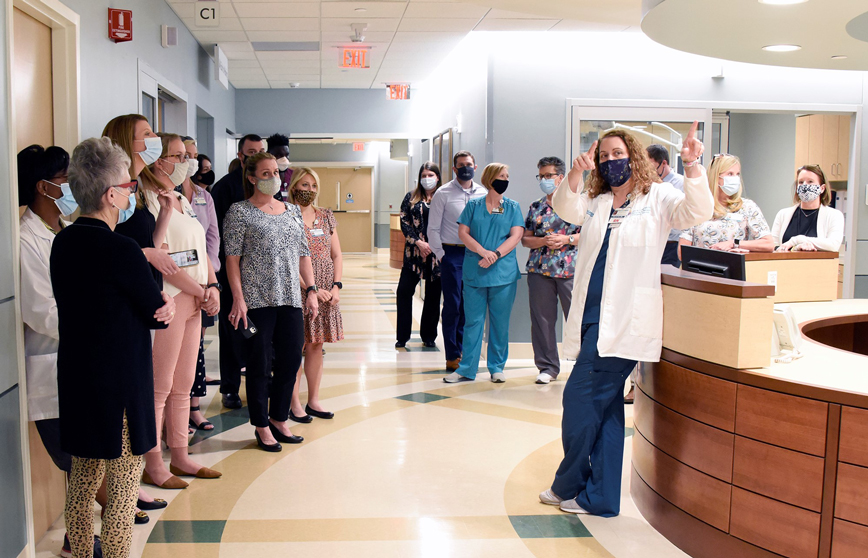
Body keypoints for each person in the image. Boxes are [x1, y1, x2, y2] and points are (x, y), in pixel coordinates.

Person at [539, 123, 713, 517]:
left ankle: (568, 482)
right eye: (604, 156)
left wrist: (692, 165)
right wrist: (577, 172)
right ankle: (599, 498)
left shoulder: (659, 197)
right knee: (606, 409)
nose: (611, 161)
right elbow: (564, 208)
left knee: (579, 400)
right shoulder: (598, 200)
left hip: (623, 323)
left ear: (633, 156)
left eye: (618, 154)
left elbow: (697, 212)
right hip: (590, 317)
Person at [50, 137, 176, 558]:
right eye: (128, 184)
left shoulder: (62, 242)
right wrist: (170, 304)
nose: (132, 189)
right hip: (121, 383)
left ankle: (83, 553)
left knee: (82, 481)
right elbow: (154, 308)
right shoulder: (121, 249)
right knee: (123, 487)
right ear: (111, 194)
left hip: (78, 377)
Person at [141, 133, 222, 489]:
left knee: (183, 383)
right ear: (157, 161)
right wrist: (201, 290)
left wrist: (214, 285)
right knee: (160, 384)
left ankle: (181, 453)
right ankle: (153, 462)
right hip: (172, 299)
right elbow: (165, 259)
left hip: (196, 300)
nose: (185, 162)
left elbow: (200, 247)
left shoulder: (181, 198)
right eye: (176, 156)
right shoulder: (146, 201)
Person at [223, 153, 319, 452]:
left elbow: (304, 254)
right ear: (251, 177)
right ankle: (261, 424)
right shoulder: (239, 212)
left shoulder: (291, 211)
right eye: (265, 173)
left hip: (290, 297)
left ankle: (279, 418)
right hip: (256, 300)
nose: (273, 178)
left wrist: (312, 290)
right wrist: (238, 299)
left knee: (291, 360)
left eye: (276, 172)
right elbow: (232, 260)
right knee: (259, 364)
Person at [443, 163, 524, 384]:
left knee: (499, 323)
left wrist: (495, 254)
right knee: (472, 322)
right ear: (489, 179)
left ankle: (497, 367)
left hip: (503, 274)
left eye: (507, 176)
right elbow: (463, 232)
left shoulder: (512, 206)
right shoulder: (473, 206)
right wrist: (482, 252)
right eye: (501, 176)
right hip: (475, 271)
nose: (505, 180)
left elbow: (516, 235)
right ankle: (466, 368)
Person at [212, 134, 266, 410]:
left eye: (261, 151)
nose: (256, 155)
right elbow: (217, 237)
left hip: (261, 276)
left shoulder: (269, 189)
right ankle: (230, 387)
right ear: (241, 155)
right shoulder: (224, 189)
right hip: (230, 273)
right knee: (233, 331)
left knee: (261, 332)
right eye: (251, 151)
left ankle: (261, 382)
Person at [287, 168, 344, 422]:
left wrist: (336, 286)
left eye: (313, 186)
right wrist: (309, 288)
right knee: (294, 347)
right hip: (298, 288)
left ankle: (313, 400)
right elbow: (288, 260)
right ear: (292, 187)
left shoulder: (326, 216)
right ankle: (293, 403)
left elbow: (337, 255)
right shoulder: (286, 216)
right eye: (303, 185)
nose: (308, 190)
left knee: (316, 345)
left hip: (326, 290)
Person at [522, 156, 580, 384]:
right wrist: (544, 241)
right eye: (541, 176)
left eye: (549, 176)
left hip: (571, 270)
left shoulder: (577, 204)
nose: (545, 180)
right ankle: (547, 367)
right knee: (542, 320)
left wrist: (567, 238)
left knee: (577, 319)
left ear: (561, 178)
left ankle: (582, 365)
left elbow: (590, 234)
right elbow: (526, 240)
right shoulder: (536, 206)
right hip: (540, 270)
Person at [427, 151, 486, 371]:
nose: (465, 168)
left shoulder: (483, 193)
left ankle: (467, 351)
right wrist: (442, 256)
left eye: (469, 164)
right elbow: (433, 229)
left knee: (472, 305)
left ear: (475, 167)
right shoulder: (443, 193)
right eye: (461, 165)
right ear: (454, 169)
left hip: (476, 254)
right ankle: (452, 354)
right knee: (453, 305)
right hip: (451, 254)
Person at [179, 138, 221, 431]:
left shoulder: (203, 196)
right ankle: (176, 418)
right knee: (177, 355)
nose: (192, 162)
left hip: (204, 281)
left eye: (194, 156)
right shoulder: (166, 196)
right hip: (178, 285)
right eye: (185, 156)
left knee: (196, 349)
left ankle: (193, 408)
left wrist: (211, 276)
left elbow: (212, 238)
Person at [679, 153, 774, 254]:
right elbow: (682, 251)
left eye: (737, 174)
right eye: (730, 174)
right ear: (716, 177)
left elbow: (768, 244)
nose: (735, 178)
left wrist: (734, 243)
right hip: (700, 266)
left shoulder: (746, 207)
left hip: (732, 267)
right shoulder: (697, 207)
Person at [395, 162, 443, 349]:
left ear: (437, 177)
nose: (427, 178)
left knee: (433, 296)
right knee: (404, 291)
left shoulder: (443, 196)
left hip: (437, 254)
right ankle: (402, 336)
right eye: (424, 174)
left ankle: (429, 336)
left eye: (431, 175)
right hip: (414, 253)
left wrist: (433, 245)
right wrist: (418, 242)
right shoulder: (411, 197)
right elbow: (404, 221)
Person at [772, 164, 845, 252]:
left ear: (822, 188)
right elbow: (773, 245)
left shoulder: (834, 215)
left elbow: (833, 245)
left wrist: (797, 240)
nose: (805, 186)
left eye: (810, 181)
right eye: (801, 182)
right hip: (785, 265)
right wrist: (794, 248)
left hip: (817, 265)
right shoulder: (783, 214)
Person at [646, 144, 685, 266]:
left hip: (672, 244)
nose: (649, 173)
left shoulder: (681, 183)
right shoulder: (648, 184)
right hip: (653, 242)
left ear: (664, 163)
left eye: (652, 169)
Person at [266, 133, 293, 201]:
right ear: (268, 154)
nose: (284, 159)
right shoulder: (263, 178)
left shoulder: (294, 176)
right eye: (279, 155)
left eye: (287, 155)